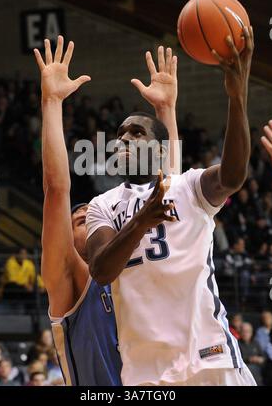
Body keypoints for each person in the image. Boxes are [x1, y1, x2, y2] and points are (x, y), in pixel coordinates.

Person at [86, 27, 257, 386]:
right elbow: (101, 271)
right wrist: (139, 223)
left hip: (211, 357)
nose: (124, 139)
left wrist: (237, 96)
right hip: (145, 374)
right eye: (119, 135)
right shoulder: (102, 206)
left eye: (136, 133)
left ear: (160, 149)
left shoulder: (188, 186)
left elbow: (233, 175)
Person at [34, 36, 179, 386]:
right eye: (79, 219)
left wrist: (166, 112)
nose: (87, 213)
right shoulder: (69, 280)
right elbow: (56, 190)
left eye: (92, 215)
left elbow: (168, 191)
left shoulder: (129, 272)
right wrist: (51, 102)